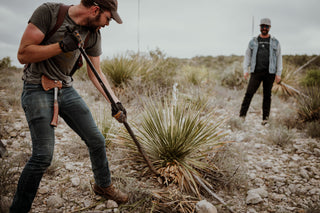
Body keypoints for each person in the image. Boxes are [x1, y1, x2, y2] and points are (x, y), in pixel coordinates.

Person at [10, 0, 129, 212]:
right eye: (108, 18)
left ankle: (103, 186)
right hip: (37, 87)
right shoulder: (49, 13)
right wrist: (61, 46)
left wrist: (115, 102)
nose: (108, 24)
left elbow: (96, 72)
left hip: (65, 88)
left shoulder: (93, 34)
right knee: (42, 156)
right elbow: (23, 54)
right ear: (95, 9)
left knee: (96, 140)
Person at [239, 18, 282, 125]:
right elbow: (247, 56)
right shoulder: (253, 41)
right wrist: (246, 70)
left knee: (267, 96)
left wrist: (278, 73)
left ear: (269, 28)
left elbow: (279, 58)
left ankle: (265, 119)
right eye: (262, 26)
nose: (264, 28)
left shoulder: (275, 42)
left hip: (270, 73)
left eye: (266, 26)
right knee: (249, 93)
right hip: (256, 72)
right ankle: (241, 117)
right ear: (260, 27)